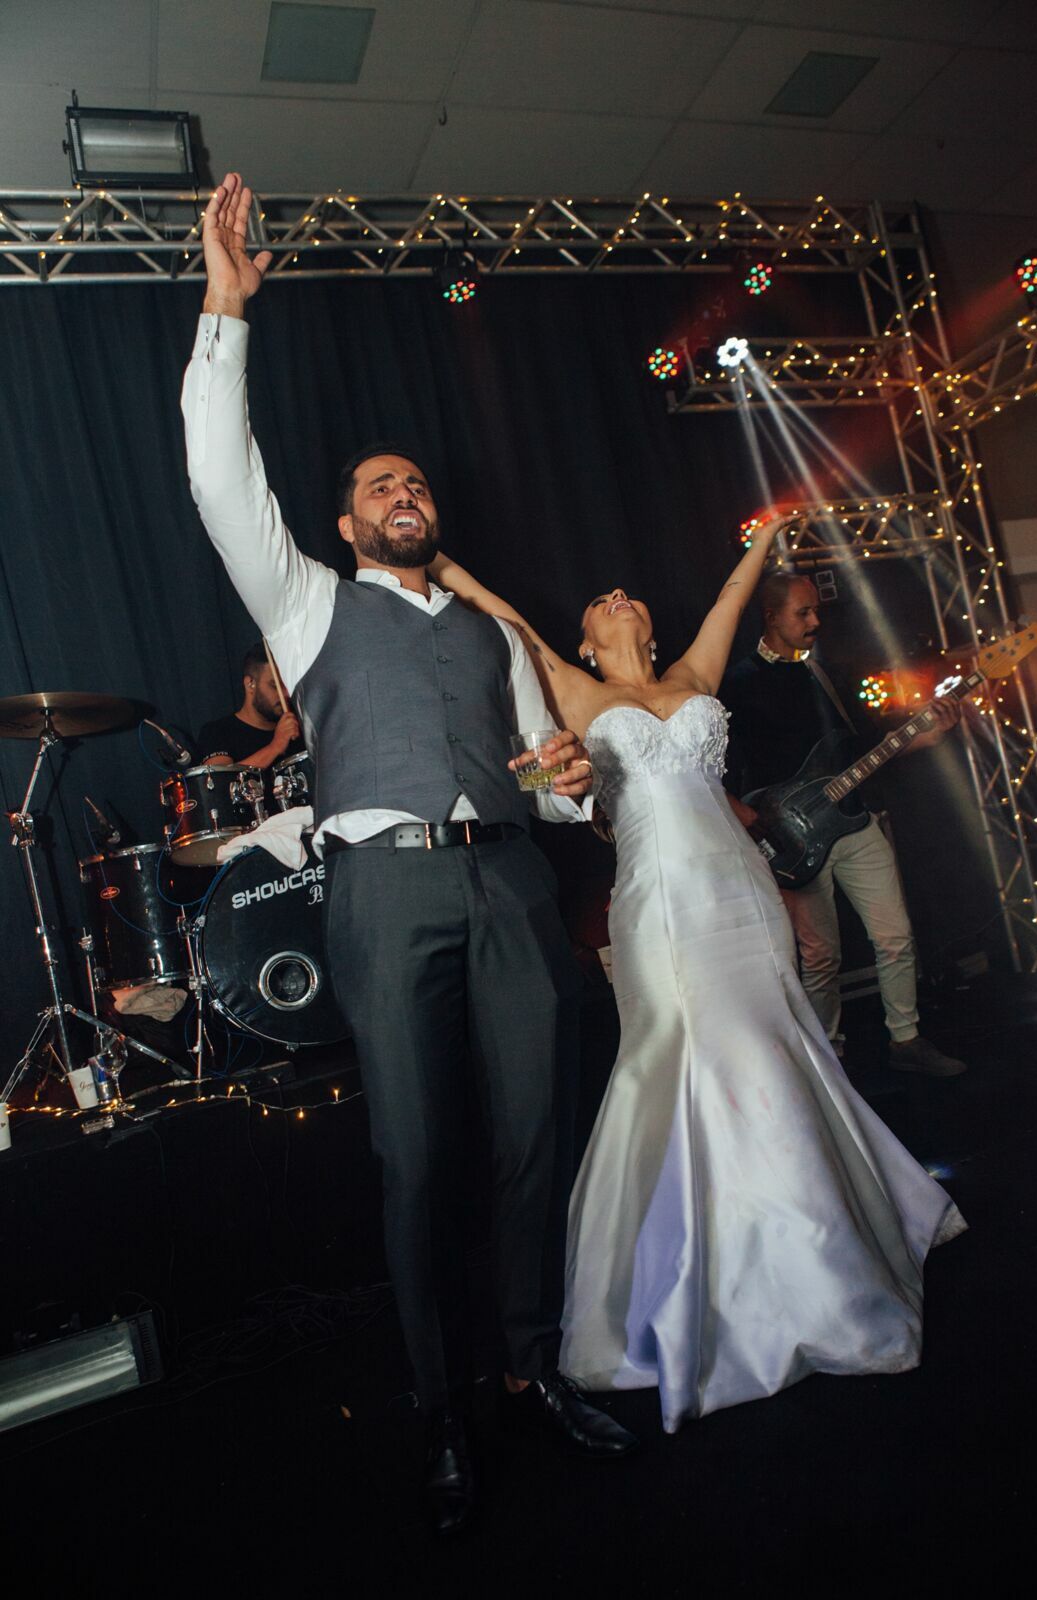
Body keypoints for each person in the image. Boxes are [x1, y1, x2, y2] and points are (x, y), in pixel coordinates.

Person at [181, 172, 637, 1536]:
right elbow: (219, 469)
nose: (404, 491)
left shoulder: (493, 634)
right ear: (341, 524)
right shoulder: (310, 606)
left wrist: (562, 786)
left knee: (533, 1134)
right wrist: (224, 309)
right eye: (379, 484)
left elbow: (544, 786)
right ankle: (442, 1407)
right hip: (381, 888)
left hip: (504, 878)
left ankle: (531, 1360)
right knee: (418, 1158)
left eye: (416, 480)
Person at [428, 527, 966, 1435]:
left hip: (742, 895)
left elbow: (727, 600)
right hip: (661, 908)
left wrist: (766, 535)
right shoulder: (575, 684)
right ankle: (718, 1283)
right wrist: (442, 567)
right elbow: (508, 619)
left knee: (777, 1046)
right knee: (687, 1059)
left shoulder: (693, 676)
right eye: (598, 605)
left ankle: (821, 1253)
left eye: (623, 594)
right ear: (589, 641)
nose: (614, 595)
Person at [719, 573, 966, 1076]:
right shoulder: (738, 683)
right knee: (821, 957)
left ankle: (907, 1038)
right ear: (771, 617)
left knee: (896, 936)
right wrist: (749, 815)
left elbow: (870, 747)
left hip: (853, 820)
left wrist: (930, 734)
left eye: (816, 611)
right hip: (789, 836)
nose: (815, 621)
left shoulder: (827, 672)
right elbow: (718, 766)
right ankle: (829, 1056)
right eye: (802, 613)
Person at [197, 640, 302, 768]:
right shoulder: (217, 732)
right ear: (250, 684)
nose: (285, 693)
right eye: (275, 685)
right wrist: (275, 746)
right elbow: (219, 782)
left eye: (287, 684)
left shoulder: (300, 725)